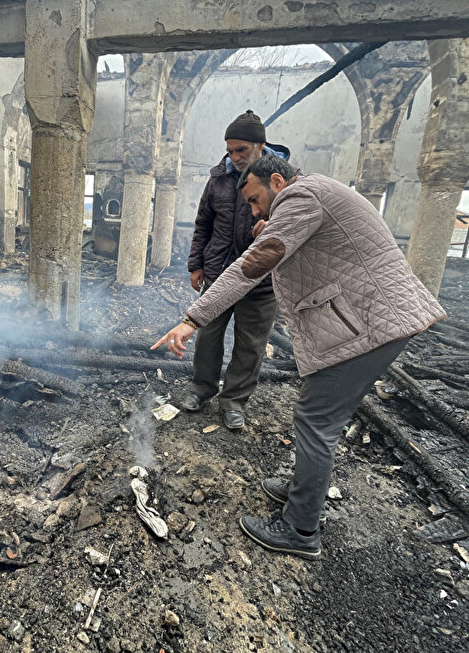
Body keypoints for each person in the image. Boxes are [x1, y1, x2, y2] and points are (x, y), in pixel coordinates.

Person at [153, 155, 445, 558]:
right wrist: (270, 224)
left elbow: (251, 266)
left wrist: (192, 318)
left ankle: (300, 529)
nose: (254, 210)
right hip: (377, 320)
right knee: (320, 420)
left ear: (277, 181)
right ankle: (300, 492)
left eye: (256, 200)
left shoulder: (301, 195)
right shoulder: (316, 191)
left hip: (371, 325)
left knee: (315, 421)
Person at [184, 110, 292, 430]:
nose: (233, 157)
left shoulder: (284, 180)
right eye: (229, 150)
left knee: (250, 344)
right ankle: (203, 388)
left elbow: (296, 226)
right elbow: (203, 223)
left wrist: (273, 226)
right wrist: (196, 264)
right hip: (219, 272)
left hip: (261, 279)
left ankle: (234, 401)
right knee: (208, 334)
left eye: (240, 149)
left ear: (260, 146)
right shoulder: (219, 177)